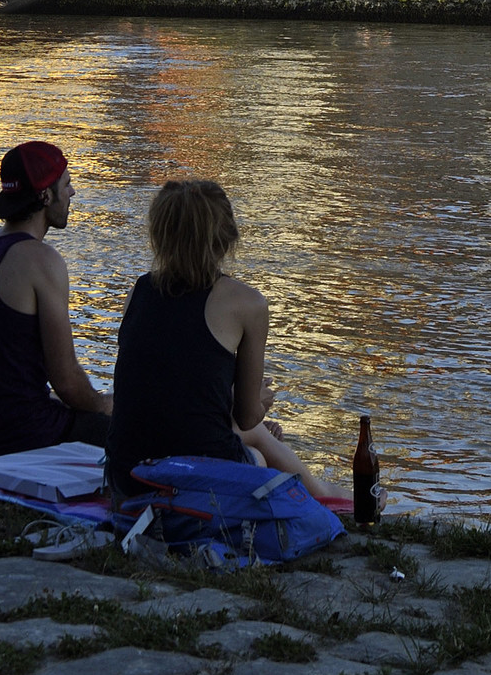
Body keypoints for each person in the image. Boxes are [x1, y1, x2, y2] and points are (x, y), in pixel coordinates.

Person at [105, 177, 342, 502]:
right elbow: (246, 417)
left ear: (159, 235)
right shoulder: (247, 303)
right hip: (194, 479)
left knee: (246, 436)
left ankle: (324, 492)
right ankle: (326, 494)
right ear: (227, 237)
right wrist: (259, 401)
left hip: (125, 476)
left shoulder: (138, 292)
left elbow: (161, 388)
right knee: (257, 452)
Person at [0, 140, 112, 460]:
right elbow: (68, 382)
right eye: (67, 183)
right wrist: (106, 405)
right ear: (45, 195)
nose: (73, 192)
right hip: (23, 439)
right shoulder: (41, 260)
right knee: (141, 430)